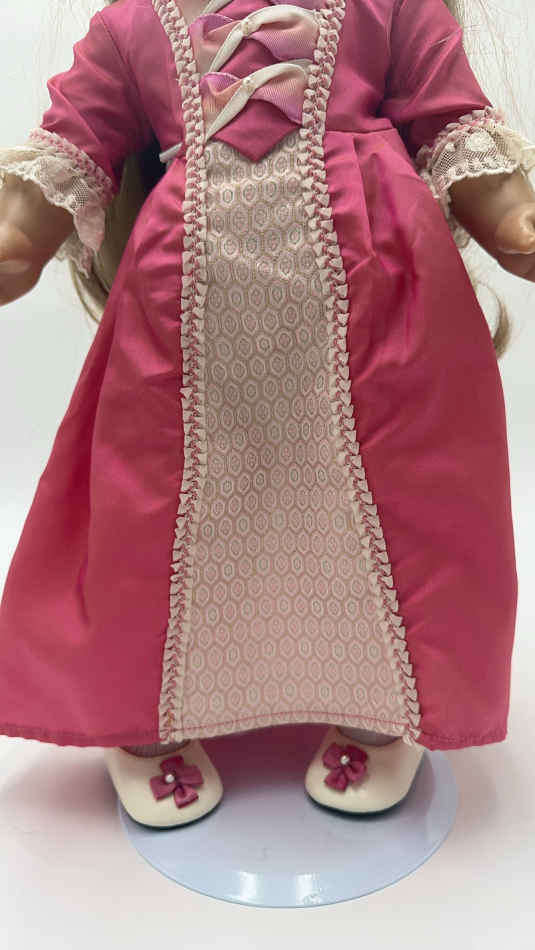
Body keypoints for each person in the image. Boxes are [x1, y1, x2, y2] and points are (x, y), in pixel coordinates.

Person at [0, 0, 534, 828]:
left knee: (380, 509)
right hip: (185, 317)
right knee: (160, 512)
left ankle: (373, 702)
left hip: (380, 310)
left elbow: (451, 120)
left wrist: (512, 218)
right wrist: (16, 235)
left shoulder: (389, 7)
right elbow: (73, 140)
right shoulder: (132, 25)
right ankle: (145, 712)